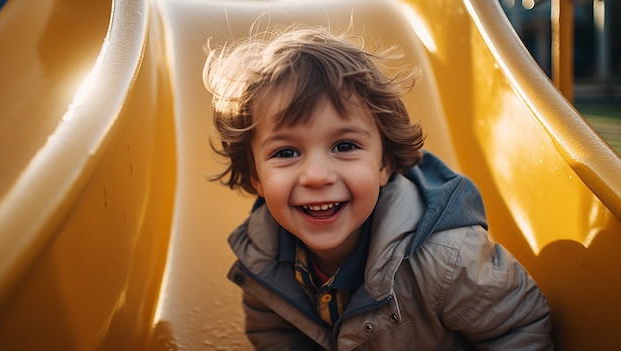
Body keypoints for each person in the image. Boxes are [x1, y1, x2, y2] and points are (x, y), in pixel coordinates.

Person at [203, 25, 553, 350]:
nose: (316, 176)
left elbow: (519, 327)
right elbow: (276, 336)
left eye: (344, 146)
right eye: (286, 152)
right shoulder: (262, 261)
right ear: (255, 178)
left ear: (384, 164)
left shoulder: (446, 260)